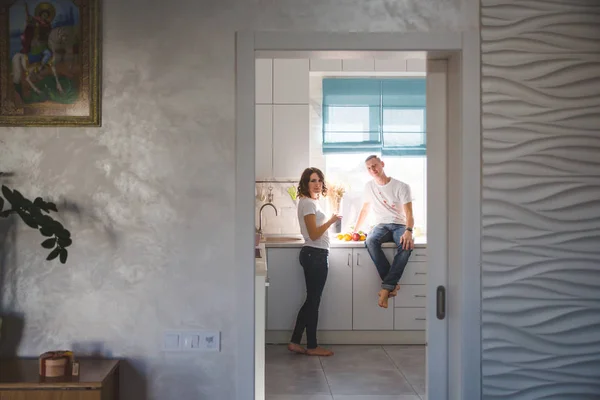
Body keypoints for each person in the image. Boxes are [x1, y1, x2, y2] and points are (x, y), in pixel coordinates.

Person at [288, 167, 341, 357]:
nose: (317, 184)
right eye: (312, 180)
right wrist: (331, 221)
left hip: (315, 255)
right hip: (315, 255)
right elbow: (314, 234)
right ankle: (312, 345)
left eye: (319, 180)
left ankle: (295, 341)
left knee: (311, 300)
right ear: (305, 183)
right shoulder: (308, 203)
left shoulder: (311, 202)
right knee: (313, 301)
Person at [353, 155, 415, 309]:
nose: (372, 169)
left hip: (399, 224)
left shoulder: (402, 186)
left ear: (382, 164)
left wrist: (408, 231)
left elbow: (409, 214)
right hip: (381, 225)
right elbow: (365, 209)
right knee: (370, 241)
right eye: (368, 168)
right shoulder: (369, 187)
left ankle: (386, 288)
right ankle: (390, 285)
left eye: (374, 165)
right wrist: (355, 229)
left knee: (406, 245)